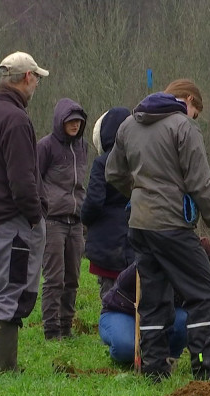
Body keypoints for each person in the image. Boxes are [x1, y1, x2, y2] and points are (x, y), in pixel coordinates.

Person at [106, 79, 210, 382]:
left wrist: (137, 196)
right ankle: (205, 371)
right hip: (172, 227)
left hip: (139, 226)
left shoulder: (128, 125)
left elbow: (112, 173)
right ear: (188, 100)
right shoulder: (183, 127)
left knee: (153, 297)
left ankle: (154, 370)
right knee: (204, 295)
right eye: (196, 111)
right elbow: (199, 183)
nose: (195, 118)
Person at [0, 51, 48, 375]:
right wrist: (35, 215)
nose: (36, 85)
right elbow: (22, 179)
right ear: (27, 77)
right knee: (12, 291)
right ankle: (4, 371)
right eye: (37, 79)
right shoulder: (15, 119)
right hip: (12, 220)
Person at [99, 237, 210, 364]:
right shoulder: (159, 262)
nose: (208, 283)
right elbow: (124, 280)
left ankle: (168, 358)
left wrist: (202, 358)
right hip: (123, 312)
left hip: (159, 318)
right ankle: (125, 342)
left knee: (186, 319)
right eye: (209, 277)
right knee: (125, 349)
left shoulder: (195, 288)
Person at [37, 98, 89, 340]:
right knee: (54, 278)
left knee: (73, 278)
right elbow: (34, 179)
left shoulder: (83, 147)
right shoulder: (45, 146)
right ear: (60, 122)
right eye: (70, 121)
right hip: (53, 221)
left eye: (78, 121)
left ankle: (67, 326)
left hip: (76, 222)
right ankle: (51, 329)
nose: (75, 125)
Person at [81, 107, 135, 300]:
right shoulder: (138, 161)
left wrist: (84, 218)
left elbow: (94, 201)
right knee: (136, 297)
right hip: (135, 238)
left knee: (111, 299)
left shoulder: (102, 163)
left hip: (107, 244)